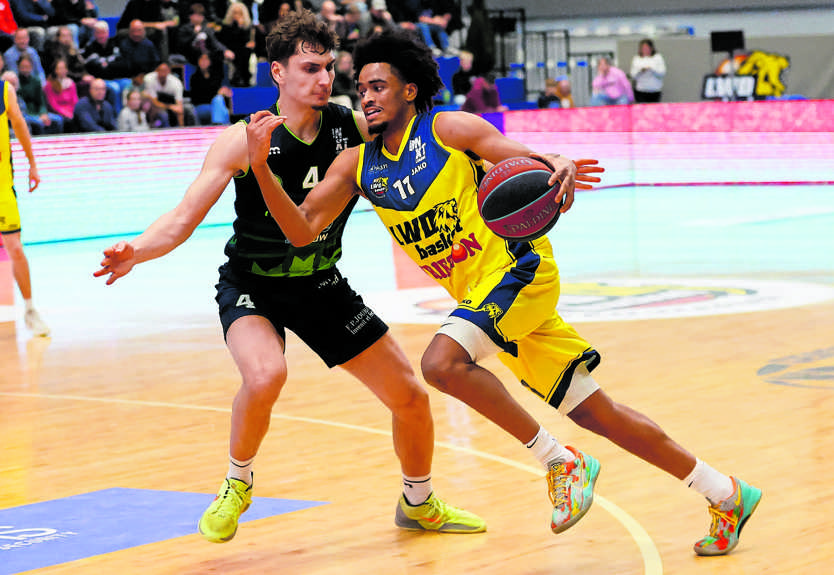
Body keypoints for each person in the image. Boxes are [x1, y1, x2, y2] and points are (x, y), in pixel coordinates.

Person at [251, 28, 763, 557]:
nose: (366, 96)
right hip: (483, 299)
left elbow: (523, 157)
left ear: (408, 91)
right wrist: (262, 167)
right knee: (596, 412)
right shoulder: (357, 165)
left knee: (441, 363)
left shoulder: (448, 128)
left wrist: (557, 161)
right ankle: (725, 494)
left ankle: (559, 460)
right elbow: (302, 228)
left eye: (378, 86)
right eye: (361, 88)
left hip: (520, 271)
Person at [93, 9, 485, 544]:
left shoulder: (352, 126)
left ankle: (418, 502)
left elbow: (429, 134)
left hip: (321, 283)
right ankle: (238, 483)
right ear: (277, 73)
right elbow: (182, 220)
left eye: (328, 67)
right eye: (308, 68)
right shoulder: (242, 140)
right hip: (253, 284)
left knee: (411, 398)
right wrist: (136, 250)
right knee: (265, 376)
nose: (323, 79)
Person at [0, 68, 49, 335]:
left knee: (15, 248)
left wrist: (32, 164)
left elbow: (19, 126)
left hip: (2, 188)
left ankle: (30, 310)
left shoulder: (3, 90)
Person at [16, 52, 64, 134]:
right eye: (22, 67)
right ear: (18, 67)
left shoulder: (36, 81)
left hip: (37, 112)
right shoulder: (16, 81)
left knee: (58, 119)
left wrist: (43, 113)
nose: (25, 70)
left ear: (31, 67)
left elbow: (41, 101)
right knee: (39, 123)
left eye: (27, 67)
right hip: (25, 113)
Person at [144, 59, 195, 126]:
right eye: (160, 70)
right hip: (153, 103)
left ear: (169, 71)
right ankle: (151, 127)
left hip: (171, 100)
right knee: (162, 113)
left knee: (189, 109)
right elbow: (155, 102)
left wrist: (181, 126)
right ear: (156, 71)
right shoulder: (149, 79)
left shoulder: (176, 83)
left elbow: (179, 107)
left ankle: (183, 129)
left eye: (165, 70)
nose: (163, 73)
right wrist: (170, 107)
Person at [217, 1, 256, 87]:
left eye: (239, 13)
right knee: (240, 52)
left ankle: (243, 77)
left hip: (242, 50)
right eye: (235, 13)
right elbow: (226, 41)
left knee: (245, 51)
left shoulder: (247, 26)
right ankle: (239, 77)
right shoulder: (226, 26)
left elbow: (246, 41)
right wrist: (236, 27)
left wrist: (240, 27)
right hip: (230, 48)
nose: (237, 15)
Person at [189, 51, 230, 124]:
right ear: (198, 61)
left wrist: (223, 93)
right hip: (201, 107)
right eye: (201, 59)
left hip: (215, 105)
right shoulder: (194, 78)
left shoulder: (216, 76)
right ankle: (221, 127)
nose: (203, 61)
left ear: (210, 62)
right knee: (221, 106)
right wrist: (218, 93)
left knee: (220, 103)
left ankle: (218, 124)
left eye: (206, 59)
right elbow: (197, 98)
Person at [43, 57, 78, 129]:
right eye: (60, 68)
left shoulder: (71, 83)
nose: (62, 71)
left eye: (63, 68)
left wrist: (73, 113)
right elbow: (53, 104)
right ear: (55, 70)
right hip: (58, 112)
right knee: (67, 121)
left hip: (71, 111)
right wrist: (65, 113)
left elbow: (75, 101)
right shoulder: (49, 84)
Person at [630, 38, 666, 103]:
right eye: (643, 48)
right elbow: (633, 75)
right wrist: (640, 71)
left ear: (651, 48)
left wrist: (652, 69)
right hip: (641, 90)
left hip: (655, 90)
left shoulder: (658, 57)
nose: (645, 50)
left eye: (647, 48)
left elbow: (662, 73)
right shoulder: (636, 58)